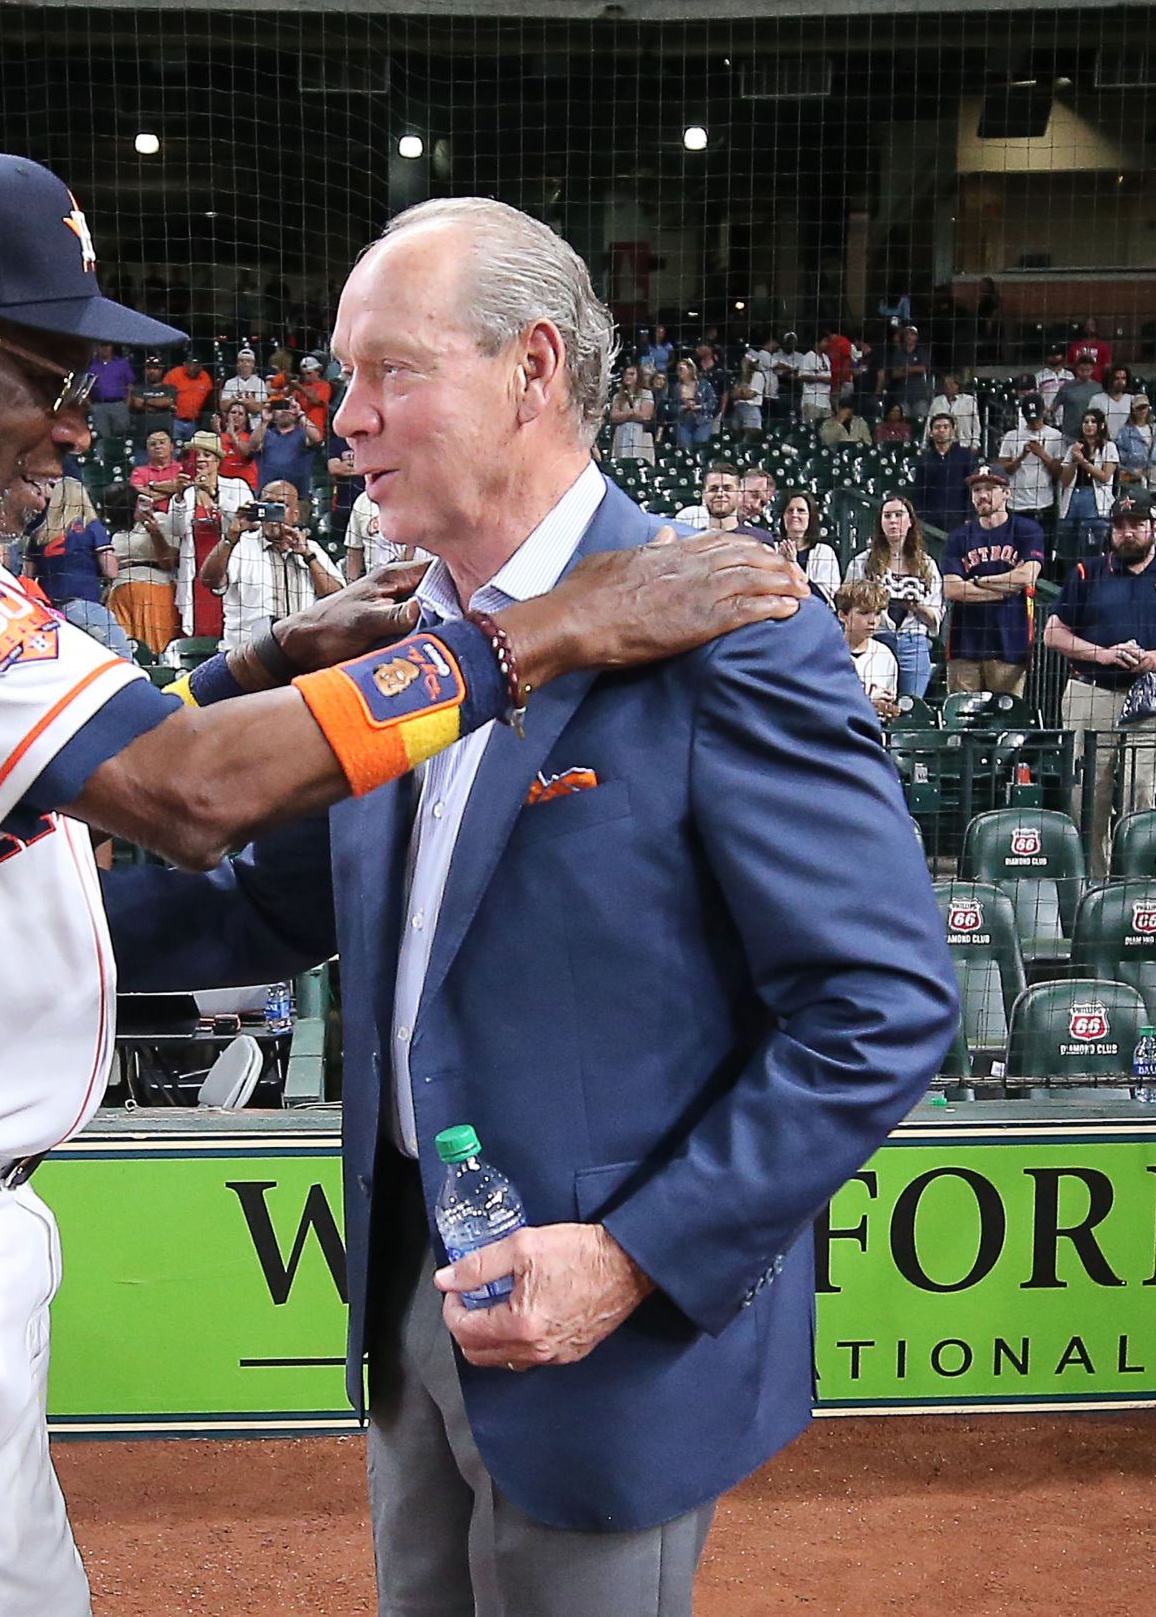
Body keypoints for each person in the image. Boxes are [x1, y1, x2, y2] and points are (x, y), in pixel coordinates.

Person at [0, 151, 803, 1617]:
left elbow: (85, 755)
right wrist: (543, 632)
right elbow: (181, 791)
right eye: (44, 371)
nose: (72, 424)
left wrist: (247, 666)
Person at [102, 195, 953, 1617]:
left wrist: (631, 1259)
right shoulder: (401, 636)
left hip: (600, 1334)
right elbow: (265, 910)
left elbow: (883, 1004)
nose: (342, 417)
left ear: (535, 368)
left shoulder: (726, 621)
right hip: (416, 1300)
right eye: (340, 377)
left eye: (389, 371)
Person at [1044, 496, 1156, 877]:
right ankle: (1092, 884)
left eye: (1136, 525)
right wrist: (1102, 654)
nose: (1126, 533)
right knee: (1087, 797)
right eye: (1119, 526)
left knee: (1141, 791)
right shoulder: (1088, 571)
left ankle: (1135, 880)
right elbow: (1053, 633)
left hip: (1151, 695)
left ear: (1155, 529)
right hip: (1092, 691)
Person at [199, 478, 345, 652]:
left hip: (300, 653)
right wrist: (230, 536)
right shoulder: (240, 546)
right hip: (247, 657)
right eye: (268, 505)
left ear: (295, 514)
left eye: (281, 506)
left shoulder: (312, 548)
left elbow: (338, 599)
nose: (274, 514)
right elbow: (209, 580)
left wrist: (308, 556)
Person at [939, 469, 1045, 697]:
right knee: (962, 724)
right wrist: (1004, 591)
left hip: (1010, 644)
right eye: (977, 490)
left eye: (990, 489)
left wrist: (978, 581)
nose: (983, 495)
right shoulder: (958, 537)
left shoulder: (1027, 531)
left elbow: (1026, 577)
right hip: (964, 646)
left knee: (1006, 723)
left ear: (1007, 493)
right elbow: (952, 589)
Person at [845, 494, 942, 701]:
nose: (893, 521)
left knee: (910, 707)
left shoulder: (927, 565)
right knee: (874, 701)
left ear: (910, 522)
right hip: (875, 640)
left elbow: (935, 620)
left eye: (899, 515)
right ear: (880, 523)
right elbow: (847, 603)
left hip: (913, 644)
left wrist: (916, 605)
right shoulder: (862, 562)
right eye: (887, 516)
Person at [27, 475, 130, 655]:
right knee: (122, 655)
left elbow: (26, 577)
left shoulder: (39, 534)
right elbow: (111, 571)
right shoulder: (90, 527)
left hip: (50, 613)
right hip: (83, 606)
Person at [168, 431, 254, 636]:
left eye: (206, 455)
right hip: (196, 573)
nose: (200, 460)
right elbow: (175, 530)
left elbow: (248, 522)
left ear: (217, 460)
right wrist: (178, 497)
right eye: (196, 455)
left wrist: (215, 496)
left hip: (229, 568)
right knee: (198, 628)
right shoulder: (186, 494)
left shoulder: (237, 486)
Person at [102, 484, 180, 655]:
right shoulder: (116, 535)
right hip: (119, 594)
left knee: (156, 650)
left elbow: (168, 562)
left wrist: (154, 532)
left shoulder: (161, 519)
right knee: (124, 651)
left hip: (154, 589)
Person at [997, 394, 1066, 542]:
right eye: (1030, 419)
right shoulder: (1011, 436)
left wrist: (1042, 454)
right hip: (1016, 505)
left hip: (1043, 504)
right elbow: (1004, 470)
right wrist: (1021, 456)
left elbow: (1060, 472)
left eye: (1037, 418)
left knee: (1043, 552)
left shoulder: (1055, 436)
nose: (1034, 423)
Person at [834, 578, 901, 719]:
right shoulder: (825, 653)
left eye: (877, 613)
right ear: (842, 615)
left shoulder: (885, 656)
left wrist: (887, 709)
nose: (873, 621)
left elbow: (888, 703)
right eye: (864, 613)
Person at [1057, 407, 1119, 548]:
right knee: (1068, 545)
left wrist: (1083, 461)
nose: (1088, 425)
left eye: (1093, 422)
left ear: (1101, 425)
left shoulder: (1109, 447)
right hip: (1073, 499)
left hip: (1096, 502)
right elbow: (1065, 480)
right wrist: (1074, 459)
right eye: (1085, 422)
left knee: (1092, 546)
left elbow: (1104, 476)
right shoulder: (1074, 448)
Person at [910, 410, 980, 533]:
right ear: (931, 432)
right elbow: (919, 492)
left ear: (953, 431)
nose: (941, 430)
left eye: (946, 427)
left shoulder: (965, 456)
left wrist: (970, 516)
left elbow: (973, 488)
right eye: (937, 427)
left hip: (959, 520)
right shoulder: (924, 460)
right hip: (930, 522)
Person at [675, 465, 775, 545]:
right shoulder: (690, 515)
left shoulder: (756, 538)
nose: (756, 506)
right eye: (754, 495)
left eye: (763, 503)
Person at [776, 491, 840, 601]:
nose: (794, 515)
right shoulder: (771, 548)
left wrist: (793, 564)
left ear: (811, 517)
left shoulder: (824, 552)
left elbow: (825, 598)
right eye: (790, 511)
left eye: (801, 511)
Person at [1115, 394, 1156, 494]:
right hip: (1134, 475)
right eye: (1139, 408)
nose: (1142, 411)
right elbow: (1120, 454)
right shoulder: (1125, 431)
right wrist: (1131, 469)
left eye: (1144, 407)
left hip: (1154, 473)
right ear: (1133, 410)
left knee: (1153, 502)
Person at [603, 363, 655, 464]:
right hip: (622, 433)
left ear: (638, 376)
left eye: (631, 374)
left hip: (640, 434)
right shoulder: (618, 396)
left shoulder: (646, 393)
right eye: (626, 374)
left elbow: (646, 415)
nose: (628, 377)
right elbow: (614, 416)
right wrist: (631, 413)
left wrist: (624, 415)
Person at [86, 342, 136, 443]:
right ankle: (101, 458)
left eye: (107, 345)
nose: (105, 348)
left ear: (112, 347)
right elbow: (84, 387)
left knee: (122, 437)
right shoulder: (91, 365)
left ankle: (123, 458)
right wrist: (90, 406)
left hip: (119, 405)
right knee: (100, 439)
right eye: (102, 345)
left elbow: (130, 386)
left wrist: (126, 406)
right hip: (99, 406)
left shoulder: (122, 364)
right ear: (97, 347)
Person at [161, 350, 215, 442]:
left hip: (194, 422)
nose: (192, 368)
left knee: (191, 450)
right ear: (185, 364)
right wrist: (171, 405)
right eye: (190, 364)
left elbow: (209, 399)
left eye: (196, 365)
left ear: (201, 366)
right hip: (175, 420)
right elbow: (162, 393)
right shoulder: (174, 374)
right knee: (174, 448)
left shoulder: (205, 377)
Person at [923, 372, 980, 452]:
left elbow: (975, 426)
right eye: (946, 384)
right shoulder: (937, 401)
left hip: (964, 444)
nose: (948, 386)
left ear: (958, 385)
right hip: (940, 445)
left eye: (951, 384)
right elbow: (929, 424)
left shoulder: (969, 401)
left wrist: (975, 444)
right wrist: (924, 445)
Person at [666, 357, 715, 449]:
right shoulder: (676, 387)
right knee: (685, 447)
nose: (679, 372)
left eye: (681, 369)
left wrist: (698, 407)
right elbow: (671, 407)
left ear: (690, 369)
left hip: (702, 421)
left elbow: (713, 403)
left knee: (700, 445)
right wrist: (683, 407)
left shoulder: (703, 384)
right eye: (677, 369)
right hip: (683, 422)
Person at [127, 353, 177, 439]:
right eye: (149, 368)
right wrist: (158, 406)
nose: (152, 371)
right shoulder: (138, 388)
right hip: (141, 436)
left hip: (164, 435)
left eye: (155, 368)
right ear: (144, 370)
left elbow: (167, 402)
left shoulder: (170, 388)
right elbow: (136, 404)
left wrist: (146, 402)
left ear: (161, 371)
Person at [220, 346, 269, 417]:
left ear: (253, 364)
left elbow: (258, 408)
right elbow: (223, 407)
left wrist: (235, 400)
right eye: (241, 360)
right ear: (237, 364)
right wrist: (249, 402)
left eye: (248, 361)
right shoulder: (229, 382)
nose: (244, 364)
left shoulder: (259, 382)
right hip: (234, 422)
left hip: (255, 423)